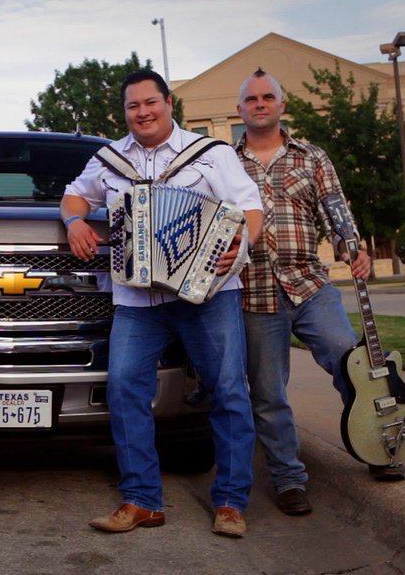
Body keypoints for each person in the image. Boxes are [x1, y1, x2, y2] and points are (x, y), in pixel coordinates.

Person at [62, 69, 263, 538]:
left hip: (208, 294)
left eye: (150, 102)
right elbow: (74, 196)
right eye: (133, 106)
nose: (143, 112)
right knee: (124, 389)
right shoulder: (111, 160)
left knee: (229, 391)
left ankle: (231, 503)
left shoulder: (210, 155)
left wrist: (240, 242)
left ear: (169, 103)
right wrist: (74, 221)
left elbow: (250, 208)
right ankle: (142, 500)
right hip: (138, 298)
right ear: (125, 112)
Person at [234, 68, 394, 519]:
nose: (260, 103)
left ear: (282, 106)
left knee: (352, 363)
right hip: (254, 293)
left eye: (269, 96)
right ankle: (288, 479)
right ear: (240, 110)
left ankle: (380, 449)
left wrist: (352, 246)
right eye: (252, 98)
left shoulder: (312, 157)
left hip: (311, 284)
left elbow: (337, 209)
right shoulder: (226, 161)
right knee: (267, 393)